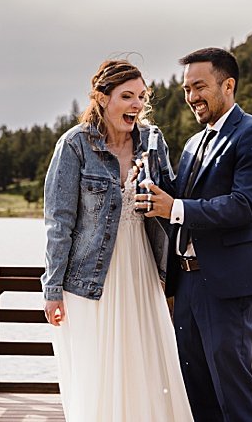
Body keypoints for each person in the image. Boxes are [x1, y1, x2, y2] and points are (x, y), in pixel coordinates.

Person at [41, 59, 192, 421]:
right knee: (98, 370)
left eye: (141, 96)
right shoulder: (74, 145)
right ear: (102, 98)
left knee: (146, 363)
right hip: (90, 279)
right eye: (127, 96)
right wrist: (53, 288)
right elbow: (59, 222)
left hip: (142, 270)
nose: (137, 105)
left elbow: (170, 200)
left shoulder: (153, 142)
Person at [138, 47, 252, 422]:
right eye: (186, 89)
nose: (191, 97)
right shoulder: (193, 143)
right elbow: (177, 199)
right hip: (186, 284)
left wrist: (176, 208)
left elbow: (245, 206)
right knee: (196, 390)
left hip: (227, 282)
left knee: (233, 390)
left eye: (199, 86)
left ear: (228, 85)